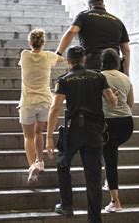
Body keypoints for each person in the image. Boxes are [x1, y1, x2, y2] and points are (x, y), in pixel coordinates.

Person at [46, 46, 118, 222]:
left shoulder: (64, 80)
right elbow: (112, 101)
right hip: (94, 132)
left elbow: (55, 107)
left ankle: (67, 206)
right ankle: (94, 219)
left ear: (69, 62)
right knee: (93, 178)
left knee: (63, 164)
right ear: (84, 59)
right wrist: (114, 97)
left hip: (74, 131)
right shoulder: (98, 76)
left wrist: (48, 137)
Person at [18, 28, 64, 185]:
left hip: (28, 102)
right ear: (43, 42)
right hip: (45, 101)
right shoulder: (48, 56)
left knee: (28, 136)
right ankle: (40, 161)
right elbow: (60, 59)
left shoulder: (24, 55)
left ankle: (32, 166)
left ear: (30, 42)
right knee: (39, 132)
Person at [55, 0, 131, 76]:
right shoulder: (118, 21)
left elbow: (72, 31)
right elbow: (126, 50)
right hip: (114, 65)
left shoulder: (83, 16)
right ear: (104, 6)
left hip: (92, 63)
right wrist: (126, 72)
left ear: (89, 6)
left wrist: (58, 53)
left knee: (91, 87)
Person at [100, 48, 134, 212]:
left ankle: (115, 201)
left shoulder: (100, 77)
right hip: (127, 125)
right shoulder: (125, 78)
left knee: (110, 159)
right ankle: (108, 180)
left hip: (108, 124)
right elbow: (131, 103)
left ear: (102, 61)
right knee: (109, 152)